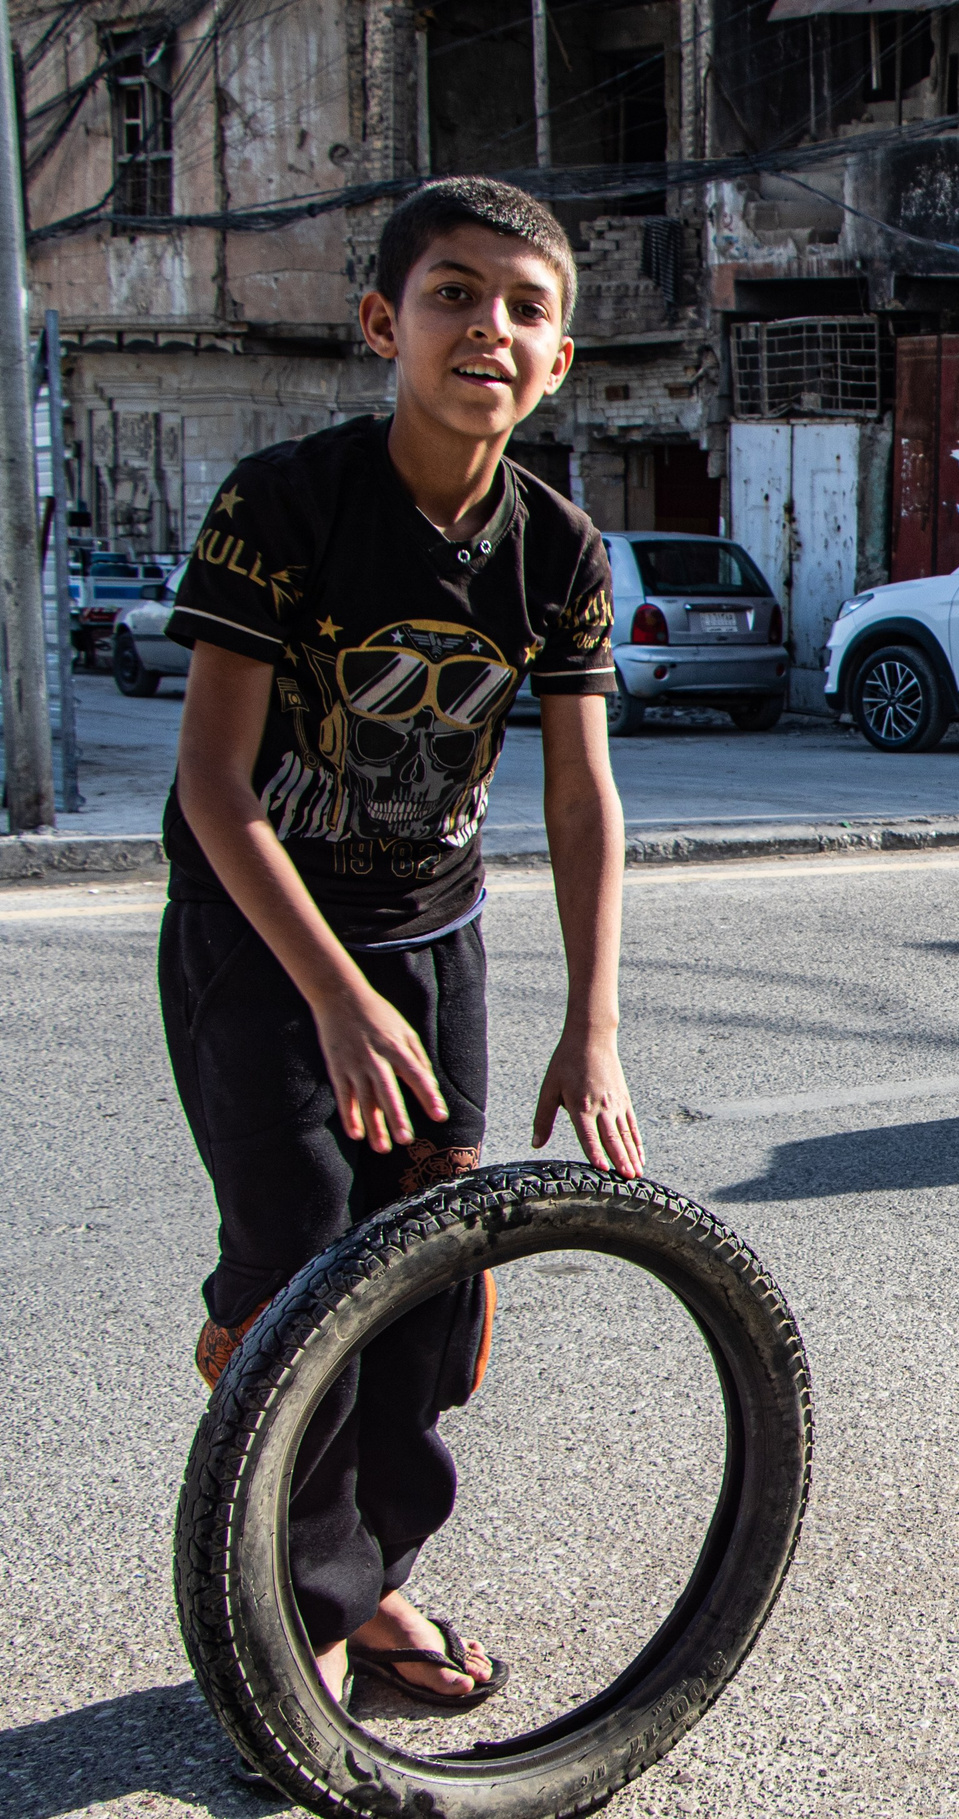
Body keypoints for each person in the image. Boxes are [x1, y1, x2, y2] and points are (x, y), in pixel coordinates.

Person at [163, 178, 643, 1718]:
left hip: (436, 943)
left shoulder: (560, 549)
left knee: (430, 1278)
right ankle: (287, 1607)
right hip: (264, 942)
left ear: (559, 360)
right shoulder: (284, 503)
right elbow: (213, 783)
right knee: (299, 1277)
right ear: (385, 321)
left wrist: (594, 1024)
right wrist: (332, 993)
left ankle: (372, 1574)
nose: (487, 327)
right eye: (453, 293)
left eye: (524, 307)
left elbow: (582, 795)